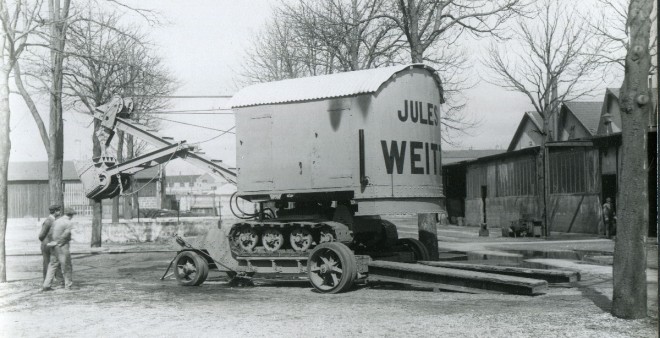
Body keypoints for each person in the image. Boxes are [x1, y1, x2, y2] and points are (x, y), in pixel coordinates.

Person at [42, 207, 76, 291]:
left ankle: (46, 285)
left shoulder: (56, 221)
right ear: (71, 215)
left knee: (52, 265)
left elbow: (50, 233)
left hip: (53, 246)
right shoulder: (69, 223)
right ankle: (68, 285)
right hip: (62, 246)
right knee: (66, 266)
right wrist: (58, 242)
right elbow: (66, 235)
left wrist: (52, 242)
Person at [38, 205, 63, 283]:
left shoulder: (54, 220)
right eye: (58, 210)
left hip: (52, 245)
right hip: (46, 246)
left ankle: (60, 281)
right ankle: (46, 282)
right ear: (55, 211)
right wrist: (47, 242)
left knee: (56, 262)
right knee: (47, 263)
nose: (60, 212)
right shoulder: (49, 221)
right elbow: (41, 235)